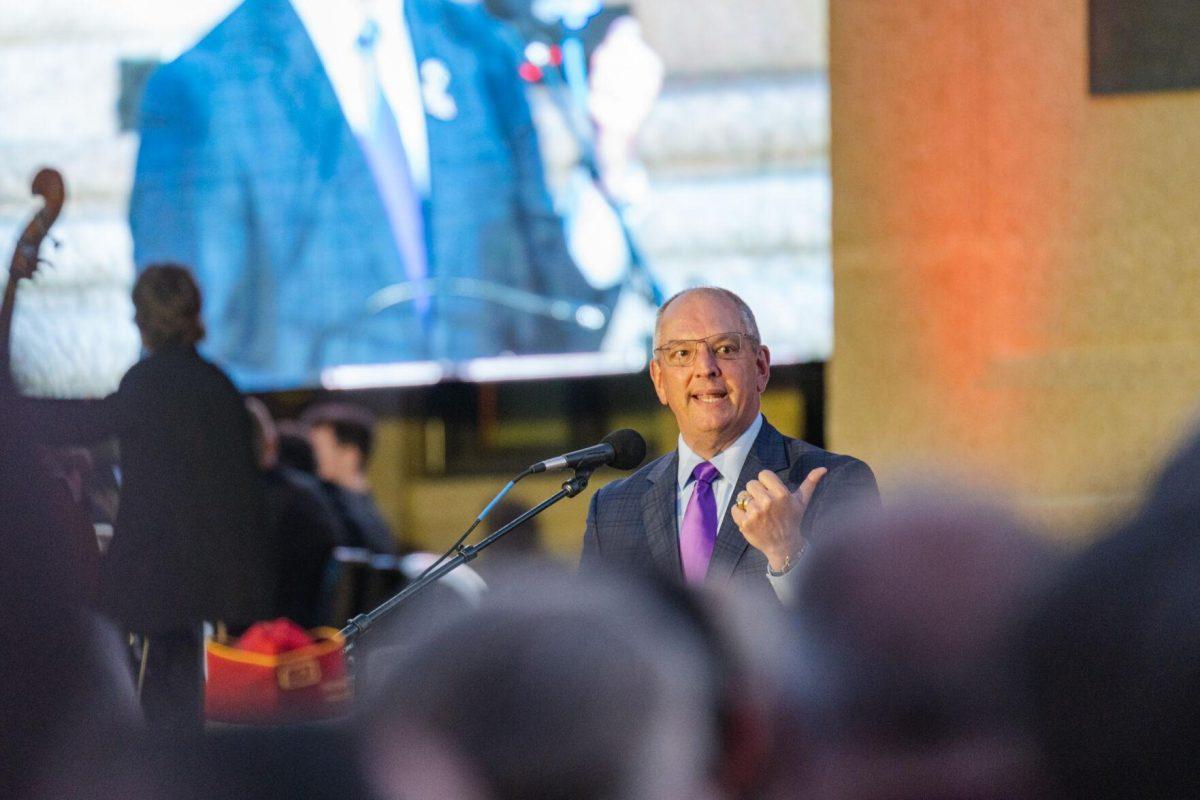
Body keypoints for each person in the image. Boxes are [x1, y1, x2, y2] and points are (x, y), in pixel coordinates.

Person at [129, 0, 642, 389]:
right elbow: (186, 355)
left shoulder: (480, 52)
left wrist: (611, 158)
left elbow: (559, 323)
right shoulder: (204, 88)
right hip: (301, 500)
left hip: (487, 492)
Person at [17, 264, 276, 730]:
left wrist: (15, 410)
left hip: (162, 578)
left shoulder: (149, 382)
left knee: (141, 691)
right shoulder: (220, 385)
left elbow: (88, 426)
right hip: (220, 580)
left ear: (142, 318)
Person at [580, 287, 879, 599]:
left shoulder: (837, 482)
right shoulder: (612, 509)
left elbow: (859, 634)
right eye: (682, 353)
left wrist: (787, 552)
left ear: (761, 368)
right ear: (659, 379)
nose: (705, 368)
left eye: (724, 349)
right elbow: (589, 639)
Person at [246, 397, 346, 627]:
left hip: (276, 639)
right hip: (308, 630)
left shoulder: (264, 501)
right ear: (271, 443)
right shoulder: (305, 492)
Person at [303, 401, 399, 555]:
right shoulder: (364, 513)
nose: (309, 456)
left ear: (350, 455)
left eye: (317, 449)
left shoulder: (343, 517)